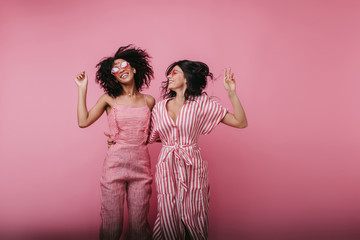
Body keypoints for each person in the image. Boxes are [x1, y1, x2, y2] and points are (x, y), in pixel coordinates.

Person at [148, 60, 248, 239]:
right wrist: (117, 141)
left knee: (194, 213)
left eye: (175, 72)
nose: (169, 76)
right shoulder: (158, 108)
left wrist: (231, 93)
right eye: (169, 73)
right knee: (168, 214)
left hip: (192, 165)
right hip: (166, 165)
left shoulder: (202, 104)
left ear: (187, 78)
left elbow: (240, 122)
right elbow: (151, 138)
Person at [75, 45, 155, 240]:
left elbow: (154, 133)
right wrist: (82, 89)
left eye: (123, 65)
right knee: (112, 225)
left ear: (134, 68)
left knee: (140, 227)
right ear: (113, 77)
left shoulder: (149, 101)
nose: (121, 70)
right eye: (115, 69)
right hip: (114, 166)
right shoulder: (108, 99)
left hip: (141, 167)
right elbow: (83, 121)